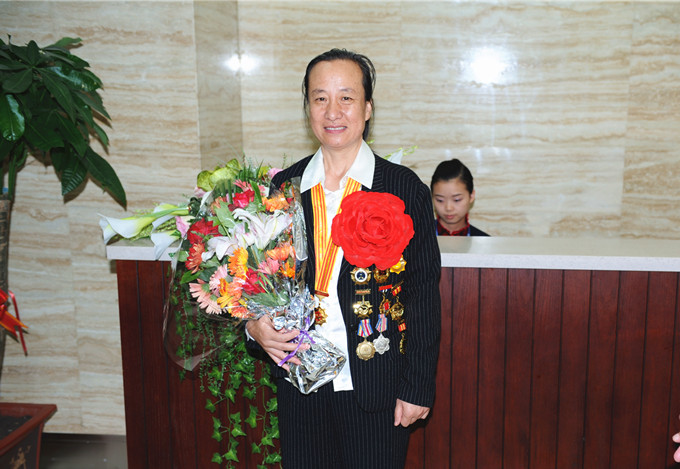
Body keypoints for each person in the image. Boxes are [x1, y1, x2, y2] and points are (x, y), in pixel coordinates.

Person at [245, 48, 441, 469]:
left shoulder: (402, 188)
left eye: (346, 98)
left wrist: (418, 386)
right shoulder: (284, 188)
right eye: (320, 98)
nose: (333, 112)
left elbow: (423, 292)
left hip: (376, 386)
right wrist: (253, 326)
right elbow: (257, 281)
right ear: (307, 109)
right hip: (301, 382)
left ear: (368, 108)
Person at [430, 158, 489, 236]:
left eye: (457, 200)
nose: (448, 208)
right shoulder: (418, 238)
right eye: (440, 200)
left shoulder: (484, 240)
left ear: (471, 196)